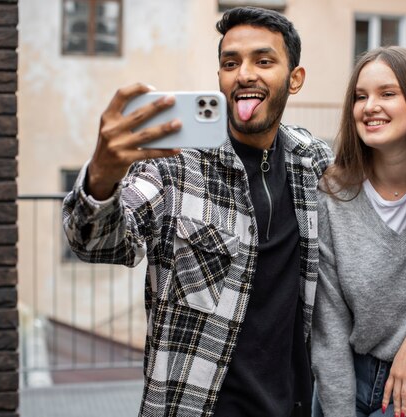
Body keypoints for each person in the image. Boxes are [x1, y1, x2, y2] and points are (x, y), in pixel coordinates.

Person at [62, 6, 333, 417]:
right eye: (230, 63)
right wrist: (102, 176)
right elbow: (98, 243)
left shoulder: (311, 161)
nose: (244, 74)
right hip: (197, 406)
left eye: (263, 61)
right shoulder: (174, 165)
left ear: (294, 79)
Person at [311, 46, 406, 417]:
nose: (369, 106)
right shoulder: (333, 194)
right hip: (346, 379)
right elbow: (330, 326)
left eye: (387, 93)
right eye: (360, 96)